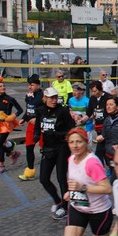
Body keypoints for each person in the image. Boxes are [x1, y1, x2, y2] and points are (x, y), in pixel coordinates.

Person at [55, 128, 117, 236]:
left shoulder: (92, 162)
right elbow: (74, 182)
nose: (75, 145)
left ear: (86, 142)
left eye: (79, 141)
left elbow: (107, 188)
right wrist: (70, 192)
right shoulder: (70, 159)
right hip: (77, 208)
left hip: (98, 211)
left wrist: (83, 188)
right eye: (71, 142)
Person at [34, 87, 76, 220]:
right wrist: (36, 135)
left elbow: (71, 128)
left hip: (62, 147)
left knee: (61, 178)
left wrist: (57, 134)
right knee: (44, 179)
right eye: (51, 97)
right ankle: (58, 201)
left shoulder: (62, 110)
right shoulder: (40, 110)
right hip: (48, 148)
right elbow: (37, 126)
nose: (54, 100)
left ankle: (65, 207)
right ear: (45, 98)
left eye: (55, 97)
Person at [0, 78, 22, 174]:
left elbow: (20, 110)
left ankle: (1, 165)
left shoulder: (10, 99)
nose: (3, 87)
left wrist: (13, 116)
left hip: (6, 125)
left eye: (4, 86)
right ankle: (13, 153)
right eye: (0, 86)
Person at [18, 74, 44, 181]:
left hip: (42, 127)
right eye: (29, 85)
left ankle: (45, 170)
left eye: (32, 85)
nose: (30, 87)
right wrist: (24, 118)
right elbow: (29, 109)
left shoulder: (42, 97)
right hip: (31, 126)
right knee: (29, 147)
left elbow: (44, 112)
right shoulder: (29, 95)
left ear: (38, 85)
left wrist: (37, 120)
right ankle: (30, 170)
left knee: (44, 150)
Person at [87, 81, 113, 164]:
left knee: (100, 150)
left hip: (108, 127)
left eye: (95, 91)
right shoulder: (92, 99)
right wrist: (82, 120)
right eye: (92, 91)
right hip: (98, 127)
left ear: (100, 89)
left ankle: (101, 168)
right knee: (104, 150)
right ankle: (110, 166)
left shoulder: (108, 97)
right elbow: (89, 113)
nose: (94, 93)